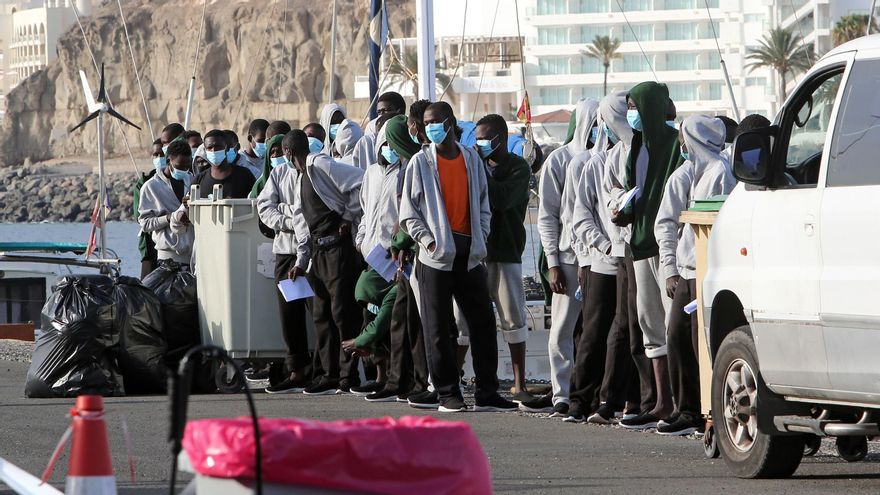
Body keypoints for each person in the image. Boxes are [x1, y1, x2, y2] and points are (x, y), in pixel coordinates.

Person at [399, 101, 517, 413]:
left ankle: (487, 392)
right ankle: (447, 393)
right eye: (426, 123)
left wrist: (481, 236)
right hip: (435, 259)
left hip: (470, 255)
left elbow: (483, 201)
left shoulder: (470, 159)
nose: (429, 127)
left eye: (435, 121)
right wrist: (429, 242)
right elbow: (408, 214)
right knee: (437, 328)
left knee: (482, 323)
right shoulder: (420, 163)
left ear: (450, 123)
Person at [654, 115, 735, 436]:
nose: (681, 145)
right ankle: (685, 408)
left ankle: (707, 411)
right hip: (686, 272)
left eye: (685, 138)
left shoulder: (719, 174)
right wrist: (670, 269)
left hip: (706, 272)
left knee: (701, 344)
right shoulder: (686, 174)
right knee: (677, 339)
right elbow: (667, 224)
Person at [521, 98, 598, 417]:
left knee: (596, 332)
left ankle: (593, 392)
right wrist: (553, 262)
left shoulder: (607, 158)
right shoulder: (559, 161)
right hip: (567, 259)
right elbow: (548, 217)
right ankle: (561, 393)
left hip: (599, 259)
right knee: (562, 331)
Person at [615, 82, 682, 430]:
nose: (630, 114)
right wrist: (623, 212)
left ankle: (681, 403)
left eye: (634, 107)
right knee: (649, 325)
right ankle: (662, 401)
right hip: (639, 244)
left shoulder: (675, 146)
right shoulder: (636, 148)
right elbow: (634, 192)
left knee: (673, 325)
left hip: (666, 248)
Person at [285, 130, 366, 395]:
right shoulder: (299, 178)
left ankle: (348, 374)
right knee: (321, 315)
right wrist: (301, 260)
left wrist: (348, 215)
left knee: (343, 313)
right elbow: (303, 225)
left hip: (337, 250)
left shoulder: (318, 164)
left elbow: (359, 181)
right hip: (317, 255)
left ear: (288, 152)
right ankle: (329, 373)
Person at [567, 95, 628, 423]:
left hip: (630, 259)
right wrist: (602, 247)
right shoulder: (591, 165)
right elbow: (579, 217)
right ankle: (580, 398)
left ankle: (616, 398)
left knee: (624, 332)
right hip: (602, 260)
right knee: (593, 331)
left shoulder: (638, 157)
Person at [474, 114, 533, 402]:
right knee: (464, 321)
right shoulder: (477, 166)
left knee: (513, 318)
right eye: (477, 138)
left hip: (506, 252)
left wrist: (479, 170)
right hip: (476, 254)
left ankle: (519, 383)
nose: (480, 144)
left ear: (502, 138)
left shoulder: (518, 169)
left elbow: (501, 199)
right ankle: (461, 377)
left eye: (485, 138)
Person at [342, 125, 400, 395]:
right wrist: (361, 239)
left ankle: (393, 376)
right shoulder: (372, 173)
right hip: (372, 255)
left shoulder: (405, 171)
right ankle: (379, 373)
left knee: (392, 317)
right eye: (384, 142)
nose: (387, 148)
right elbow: (366, 212)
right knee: (370, 308)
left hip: (394, 256)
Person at [256, 132, 313, 394]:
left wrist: (290, 213)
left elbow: (313, 211)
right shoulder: (278, 176)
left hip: (312, 250)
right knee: (289, 315)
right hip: (284, 251)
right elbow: (266, 208)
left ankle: (326, 369)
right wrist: (291, 220)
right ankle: (297, 370)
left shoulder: (313, 172)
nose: (281, 157)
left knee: (320, 312)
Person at [138, 141, 194, 267]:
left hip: (192, 254)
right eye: (179, 166)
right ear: (169, 160)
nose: (184, 170)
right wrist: (170, 218)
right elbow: (145, 224)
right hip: (167, 257)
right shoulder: (151, 187)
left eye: (187, 166)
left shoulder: (192, 180)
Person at [193, 129, 256, 199]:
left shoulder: (245, 175)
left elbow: (256, 201)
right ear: (205, 150)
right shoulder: (199, 179)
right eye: (209, 148)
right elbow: (188, 204)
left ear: (227, 148)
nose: (213, 150)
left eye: (218, 146)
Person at [134, 139, 164, 279]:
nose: (159, 158)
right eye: (155, 155)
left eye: (162, 154)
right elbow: (139, 215)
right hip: (149, 244)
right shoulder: (145, 182)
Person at [353, 92, 407, 169]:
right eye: (379, 112)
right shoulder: (372, 129)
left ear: (399, 111)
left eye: (385, 110)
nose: (381, 115)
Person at [250, 121, 293, 197]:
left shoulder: (297, 176)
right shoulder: (261, 185)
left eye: (281, 151)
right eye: (272, 151)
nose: (275, 155)